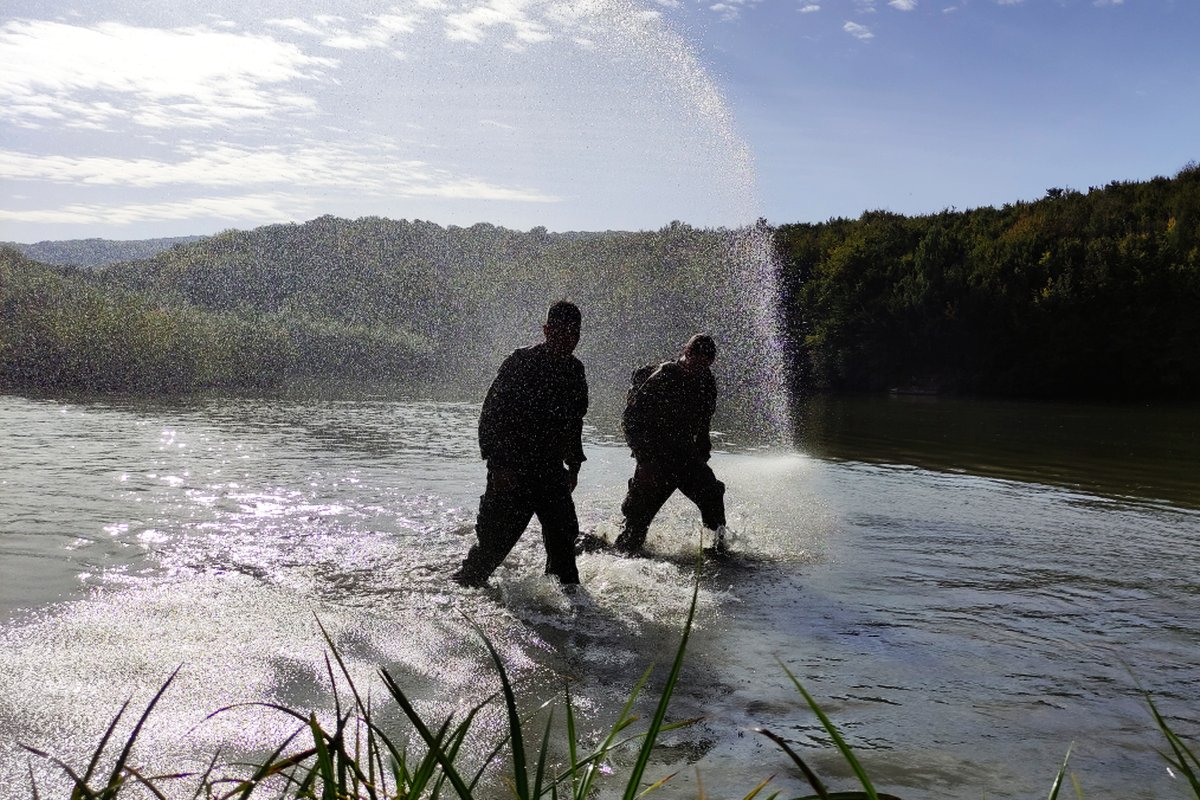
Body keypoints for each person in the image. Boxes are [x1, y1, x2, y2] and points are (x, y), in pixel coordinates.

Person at [452, 301, 589, 588]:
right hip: (512, 469)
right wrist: (499, 466)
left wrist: (574, 465)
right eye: (561, 333)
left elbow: (574, 422)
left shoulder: (574, 372)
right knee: (491, 549)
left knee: (564, 547)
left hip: (550, 471)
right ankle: (459, 597)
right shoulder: (521, 363)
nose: (567, 340)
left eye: (573, 335)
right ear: (547, 330)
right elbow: (491, 416)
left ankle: (570, 622)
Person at [615, 333, 728, 555]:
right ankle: (618, 551)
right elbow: (630, 420)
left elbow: (704, 422)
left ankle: (717, 551)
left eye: (705, 365)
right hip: (655, 458)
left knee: (712, 495)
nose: (699, 370)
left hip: (686, 456)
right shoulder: (662, 377)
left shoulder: (706, 380)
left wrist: (703, 454)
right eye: (696, 363)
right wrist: (644, 461)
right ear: (687, 354)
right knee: (633, 532)